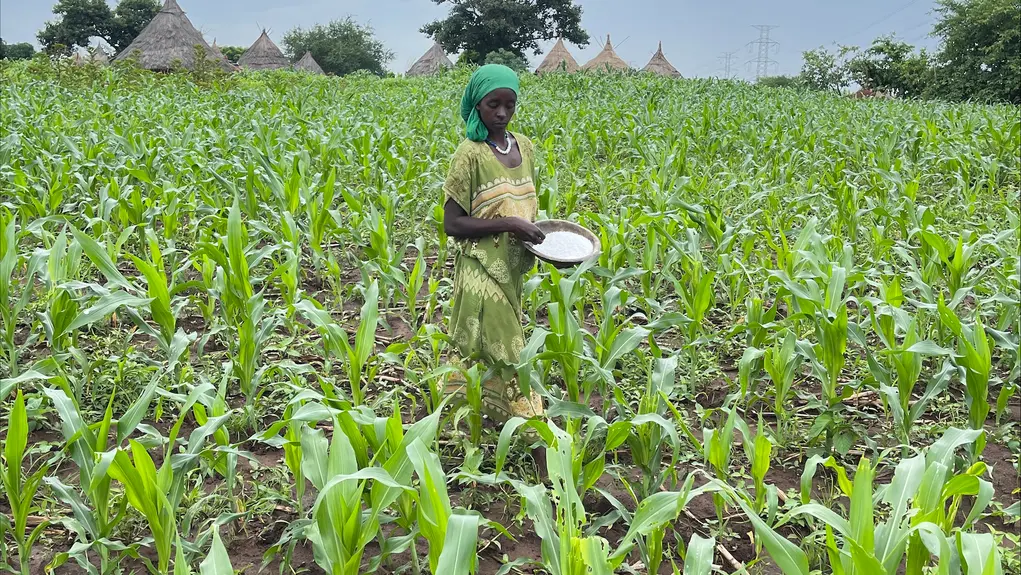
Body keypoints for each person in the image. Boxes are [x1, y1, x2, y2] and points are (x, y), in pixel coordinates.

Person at [442, 64, 547, 442]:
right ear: (477, 105)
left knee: (479, 351)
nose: (502, 113)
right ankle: (540, 444)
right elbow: (452, 223)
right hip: (481, 270)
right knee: (513, 354)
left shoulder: (525, 147)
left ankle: (459, 425)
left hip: (512, 270)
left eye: (509, 105)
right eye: (493, 105)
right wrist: (508, 224)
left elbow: (526, 207)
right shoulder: (469, 155)